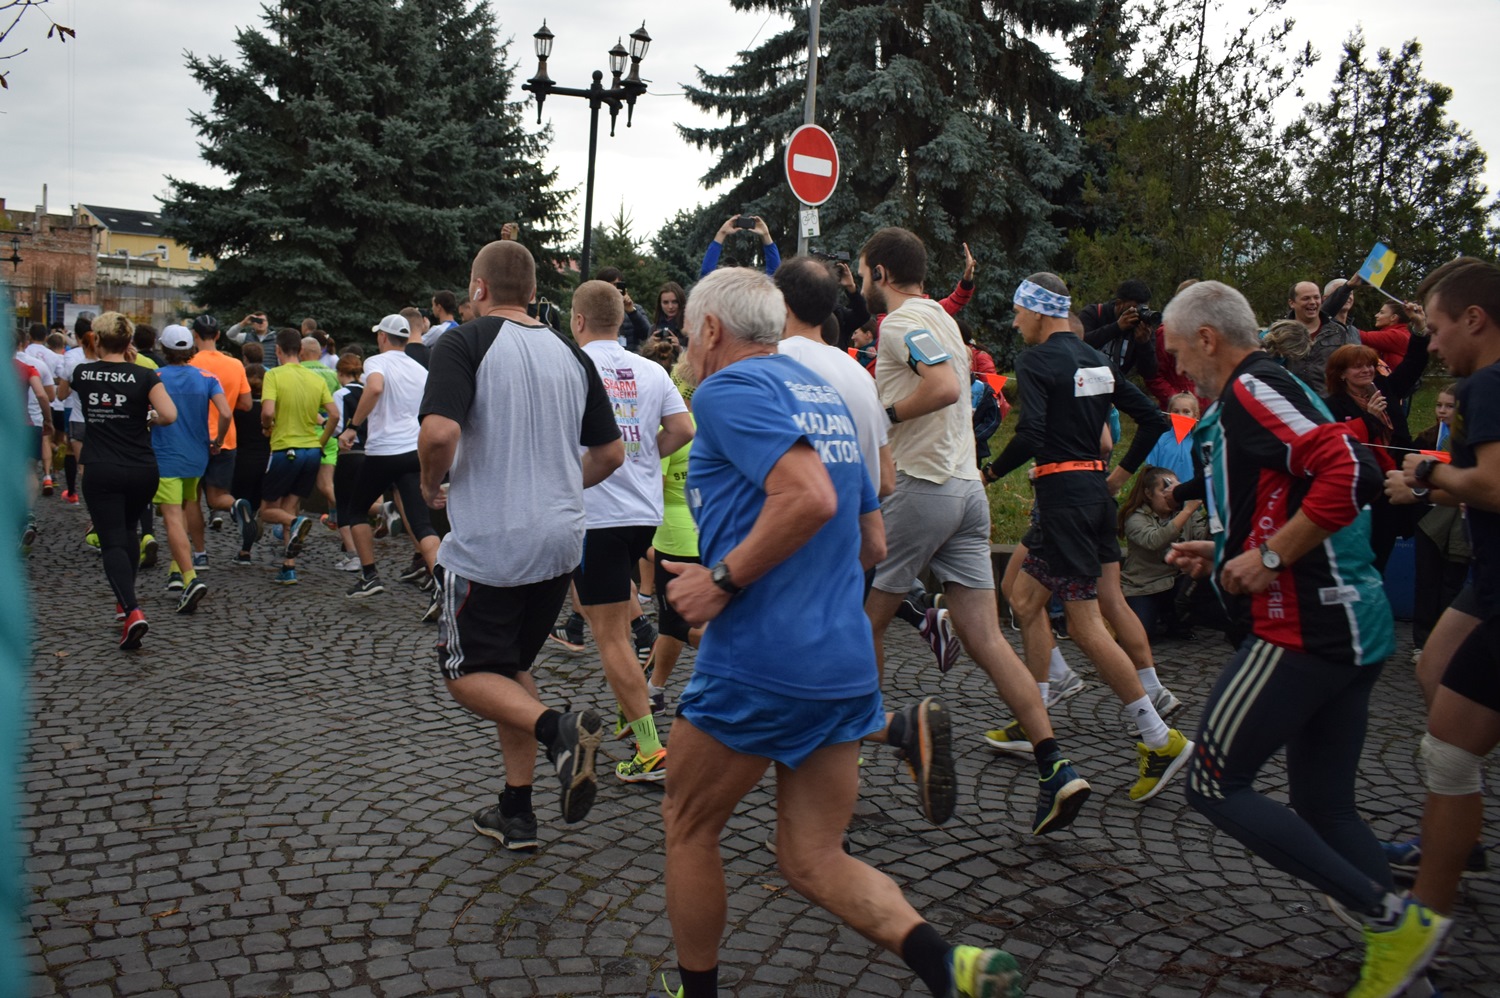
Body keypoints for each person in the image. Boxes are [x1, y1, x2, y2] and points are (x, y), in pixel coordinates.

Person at [659, 266, 1022, 998]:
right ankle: (947, 965)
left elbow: (811, 497)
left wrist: (722, 578)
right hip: (842, 659)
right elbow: (872, 545)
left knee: (688, 825)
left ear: (709, 330)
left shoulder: (729, 389)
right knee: (812, 856)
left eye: (692, 338)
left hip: (759, 660)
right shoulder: (825, 395)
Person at [1160, 280, 1442, 998]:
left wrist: (1273, 556)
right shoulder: (1256, 393)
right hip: (1349, 623)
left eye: (1178, 354)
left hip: (1305, 628)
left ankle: (1389, 919)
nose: (1178, 371)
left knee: (1213, 781)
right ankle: (1410, 973)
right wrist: (1225, 554)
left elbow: (1347, 469)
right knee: (1327, 808)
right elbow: (1291, 486)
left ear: (1208, 339)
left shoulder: (1256, 387)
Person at [862, 227, 1088, 835]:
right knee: (986, 639)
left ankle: (848, 758)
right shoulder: (942, 317)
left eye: (863, 272)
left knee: (865, 621)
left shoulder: (896, 323)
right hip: (968, 493)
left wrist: (883, 414)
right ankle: (1055, 767)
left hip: (921, 486)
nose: (861, 282)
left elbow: (943, 387)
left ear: (880, 273)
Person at [417, 238, 623, 852]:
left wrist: (432, 484)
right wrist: (561, 484)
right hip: (560, 543)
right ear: (535, 292)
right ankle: (517, 812)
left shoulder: (463, 340)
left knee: (465, 673)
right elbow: (611, 453)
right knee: (511, 670)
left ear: (477, 288)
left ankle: (559, 728)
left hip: (491, 543)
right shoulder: (570, 352)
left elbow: (438, 432)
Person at [982, 272, 1189, 805]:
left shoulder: (1035, 361)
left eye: (1018, 311)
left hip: (1065, 501)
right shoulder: (1097, 361)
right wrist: (1117, 477)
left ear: (1039, 310)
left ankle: (1158, 737)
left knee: (1087, 624)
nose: (1014, 321)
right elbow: (1150, 420)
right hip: (1090, 496)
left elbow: (1029, 434)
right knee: (1025, 598)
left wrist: (986, 474)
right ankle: (1036, 716)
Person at [1382, 257, 1500, 966]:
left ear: (1475, 320)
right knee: (1433, 667)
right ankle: (1458, 834)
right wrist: (1429, 489)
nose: (1431, 346)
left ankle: (1426, 916)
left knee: (1449, 746)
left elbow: (1493, 484)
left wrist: (1427, 472)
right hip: (1483, 581)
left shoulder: (1485, 383)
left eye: (1435, 329)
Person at [568, 280, 694, 782]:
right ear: (620, 321)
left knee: (608, 635)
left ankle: (649, 749)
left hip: (595, 511)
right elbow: (683, 430)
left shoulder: (572, 364)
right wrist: (643, 460)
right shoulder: (650, 369)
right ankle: (632, 701)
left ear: (577, 321)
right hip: (644, 513)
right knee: (622, 615)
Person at [72, 312, 178, 649]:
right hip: (142, 468)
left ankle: (132, 610)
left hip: (101, 466)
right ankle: (124, 601)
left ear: (97, 340)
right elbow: (169, 415)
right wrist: (148, 416)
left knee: (112, 540)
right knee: (130, 529)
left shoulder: (82, 373)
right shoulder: (146, 375)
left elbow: (70, 391)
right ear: (130, 342)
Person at [341, 314, 442, 620]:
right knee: (422, 523)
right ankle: (441, 585)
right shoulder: (419, 369)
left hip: (384, 451)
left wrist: (352, 426)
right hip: (414, 452)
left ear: (383, 337)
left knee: (354, 509)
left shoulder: (377, 362)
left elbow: (373, 389)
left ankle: (369, 575)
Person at [233, 329, 339, 584]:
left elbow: (267, 411)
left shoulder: (275, 375)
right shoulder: (316, 379)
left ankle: (296, 521)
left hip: (284, 450)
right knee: (290, 502)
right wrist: (320, 442)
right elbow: (333, 416)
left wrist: (267, 426)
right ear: (300, 352)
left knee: (269, 510)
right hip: (311, 452)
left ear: (278, 350)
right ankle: (288, 567)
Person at [1323, 338, 1428, 569]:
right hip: (1362, 492)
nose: (1367, 370)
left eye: (1370, 364)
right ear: (1341, 374)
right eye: (1358, 366)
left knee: (1383, 555)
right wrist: (1369, 419)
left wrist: (1420, 333)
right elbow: (1337, 444)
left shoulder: (1385, 390)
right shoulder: (1331, 406)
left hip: (1393, 487)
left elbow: (1414, 364)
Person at [151, 324, 231, 612]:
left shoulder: (156, 377)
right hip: (197, 455)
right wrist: (219, 440)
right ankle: (176, 569)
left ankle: (189, 577)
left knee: (171, 517)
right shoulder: (207, 377)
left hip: (165, 455)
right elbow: (225, 412)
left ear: (164, 349)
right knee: (187, 507)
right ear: (190, 349)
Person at [1408, 384, 1468, 660]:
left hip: (1458, 525)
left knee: (1451, 585)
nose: (1442, 411)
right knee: (1427, 582)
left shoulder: (1472, 441)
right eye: (1439, 405)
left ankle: (1445, 644)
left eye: (1449, 406)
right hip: (1429, 521)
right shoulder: (1428, 437)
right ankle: (1422, 641)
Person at [186, 315, 252, 562]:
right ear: (218, 335)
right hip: (226, 439)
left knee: (191, 499)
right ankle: (235, 506)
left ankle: (200, 554)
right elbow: (245, 403)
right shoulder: (235, 364)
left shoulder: (189, 363)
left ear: (194, 335)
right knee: (217, 497)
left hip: (193, 438)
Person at [1118, 466, 1206, 641]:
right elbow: (1154, 541)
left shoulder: (1183, 513)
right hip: (1144, 586)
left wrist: (1213, 513)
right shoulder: (1135, 517)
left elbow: (1203, 538)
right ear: (1149, 494)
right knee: (1141, 634)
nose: (1170, 495)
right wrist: (1187, 511)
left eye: (1174, 489)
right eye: (1164, 489)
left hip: (1175, 584)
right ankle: (1157, 616)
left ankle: (1174, 619)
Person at [1283, 277, 1361, 393]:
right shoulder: (1280, 334)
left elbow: (1352, 369)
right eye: (1306, 298)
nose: (1312, 302)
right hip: (1293, 403)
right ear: (1292, 303)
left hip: (1330, 404)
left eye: (1316, 297)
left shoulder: (1338, 332)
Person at [1079, 279, 1159, 380]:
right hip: (1085, 380)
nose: (1138, 313)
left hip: (1115, 385)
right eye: (1135, 308)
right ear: (1119, 303)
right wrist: (1117, 327)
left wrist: (1144, 344)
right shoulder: (1094, 313)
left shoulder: (1142, 328)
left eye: (1144, 309)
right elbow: (1079, 345)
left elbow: (1149, 373)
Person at [228, 363, 269, 560]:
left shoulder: (239, 407)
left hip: (241, 462)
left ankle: (245, 549)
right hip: (265, 461)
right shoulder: (268, 408)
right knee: (253, 506)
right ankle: (246, 548)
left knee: (239, 504)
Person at [592, 268, 653, 353]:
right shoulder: (593, 310)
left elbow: (646, 334)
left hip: (630, 358)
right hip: (604, 357)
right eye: (608, 286)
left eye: (616, 285)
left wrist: (632, 312)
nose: (612, 290)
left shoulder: (635, 309)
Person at [1143, 392, 1198, 484]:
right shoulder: (1161, 440)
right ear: (1169, 415)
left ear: (1195, 416)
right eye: (1176, 411)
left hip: (1192, 494)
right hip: (1164, 492)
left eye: (1186, 412)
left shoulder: (1198, 441)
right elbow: (1150, 468)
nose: (1181, 415)